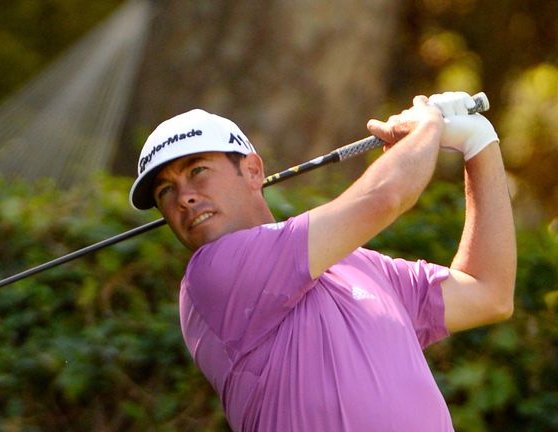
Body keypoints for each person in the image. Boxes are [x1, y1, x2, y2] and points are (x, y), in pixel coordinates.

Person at [128, 92, 516, 431]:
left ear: (253, 171)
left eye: (198, 171)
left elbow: (488, 292)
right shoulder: (212, 275)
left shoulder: (358, 266)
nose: (184, 197)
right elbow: (385, 196)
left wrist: (479, 145)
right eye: (166, 190)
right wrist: (428, 125)